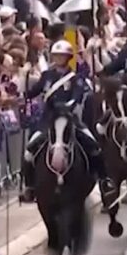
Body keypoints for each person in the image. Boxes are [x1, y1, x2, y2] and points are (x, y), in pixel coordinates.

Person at [20, 40, 113, 203]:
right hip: (48, 121)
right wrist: (24, 77)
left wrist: (65, 107)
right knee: (29, 150)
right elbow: (30, 93)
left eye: (61, 56)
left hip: (70, 119)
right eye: (55, 56)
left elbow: (77, 96)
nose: (58, 59)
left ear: (68, 57)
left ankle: (104, 180)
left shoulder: (75, 77)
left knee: (93, 145)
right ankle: (29, 186)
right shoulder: (46, 76)